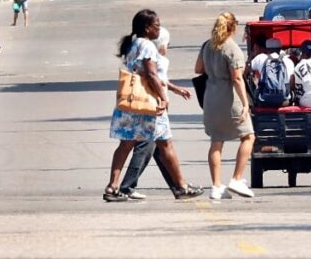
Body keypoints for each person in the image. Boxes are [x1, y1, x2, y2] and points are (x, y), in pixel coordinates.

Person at [104, 10, 203, 202]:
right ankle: (182, 186)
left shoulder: (133, 44)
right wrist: (163, 97)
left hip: (132, 102)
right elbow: (151, 75)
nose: (159, 29)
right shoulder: (148, 46)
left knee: (125, 144)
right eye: (156, 25)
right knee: (166, 144)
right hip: (149, 105)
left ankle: (112, 186)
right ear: (147, 28)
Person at [196, 12, 256, 200]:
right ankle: (237, 179)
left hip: (211, 98)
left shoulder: (207, 46)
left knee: (216, 141)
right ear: (232, 28)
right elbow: (237, 78)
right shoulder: (232, 48)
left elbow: (198, 69)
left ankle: (216, 186)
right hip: (229, 98)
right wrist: (246, 104)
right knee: (248, 136)